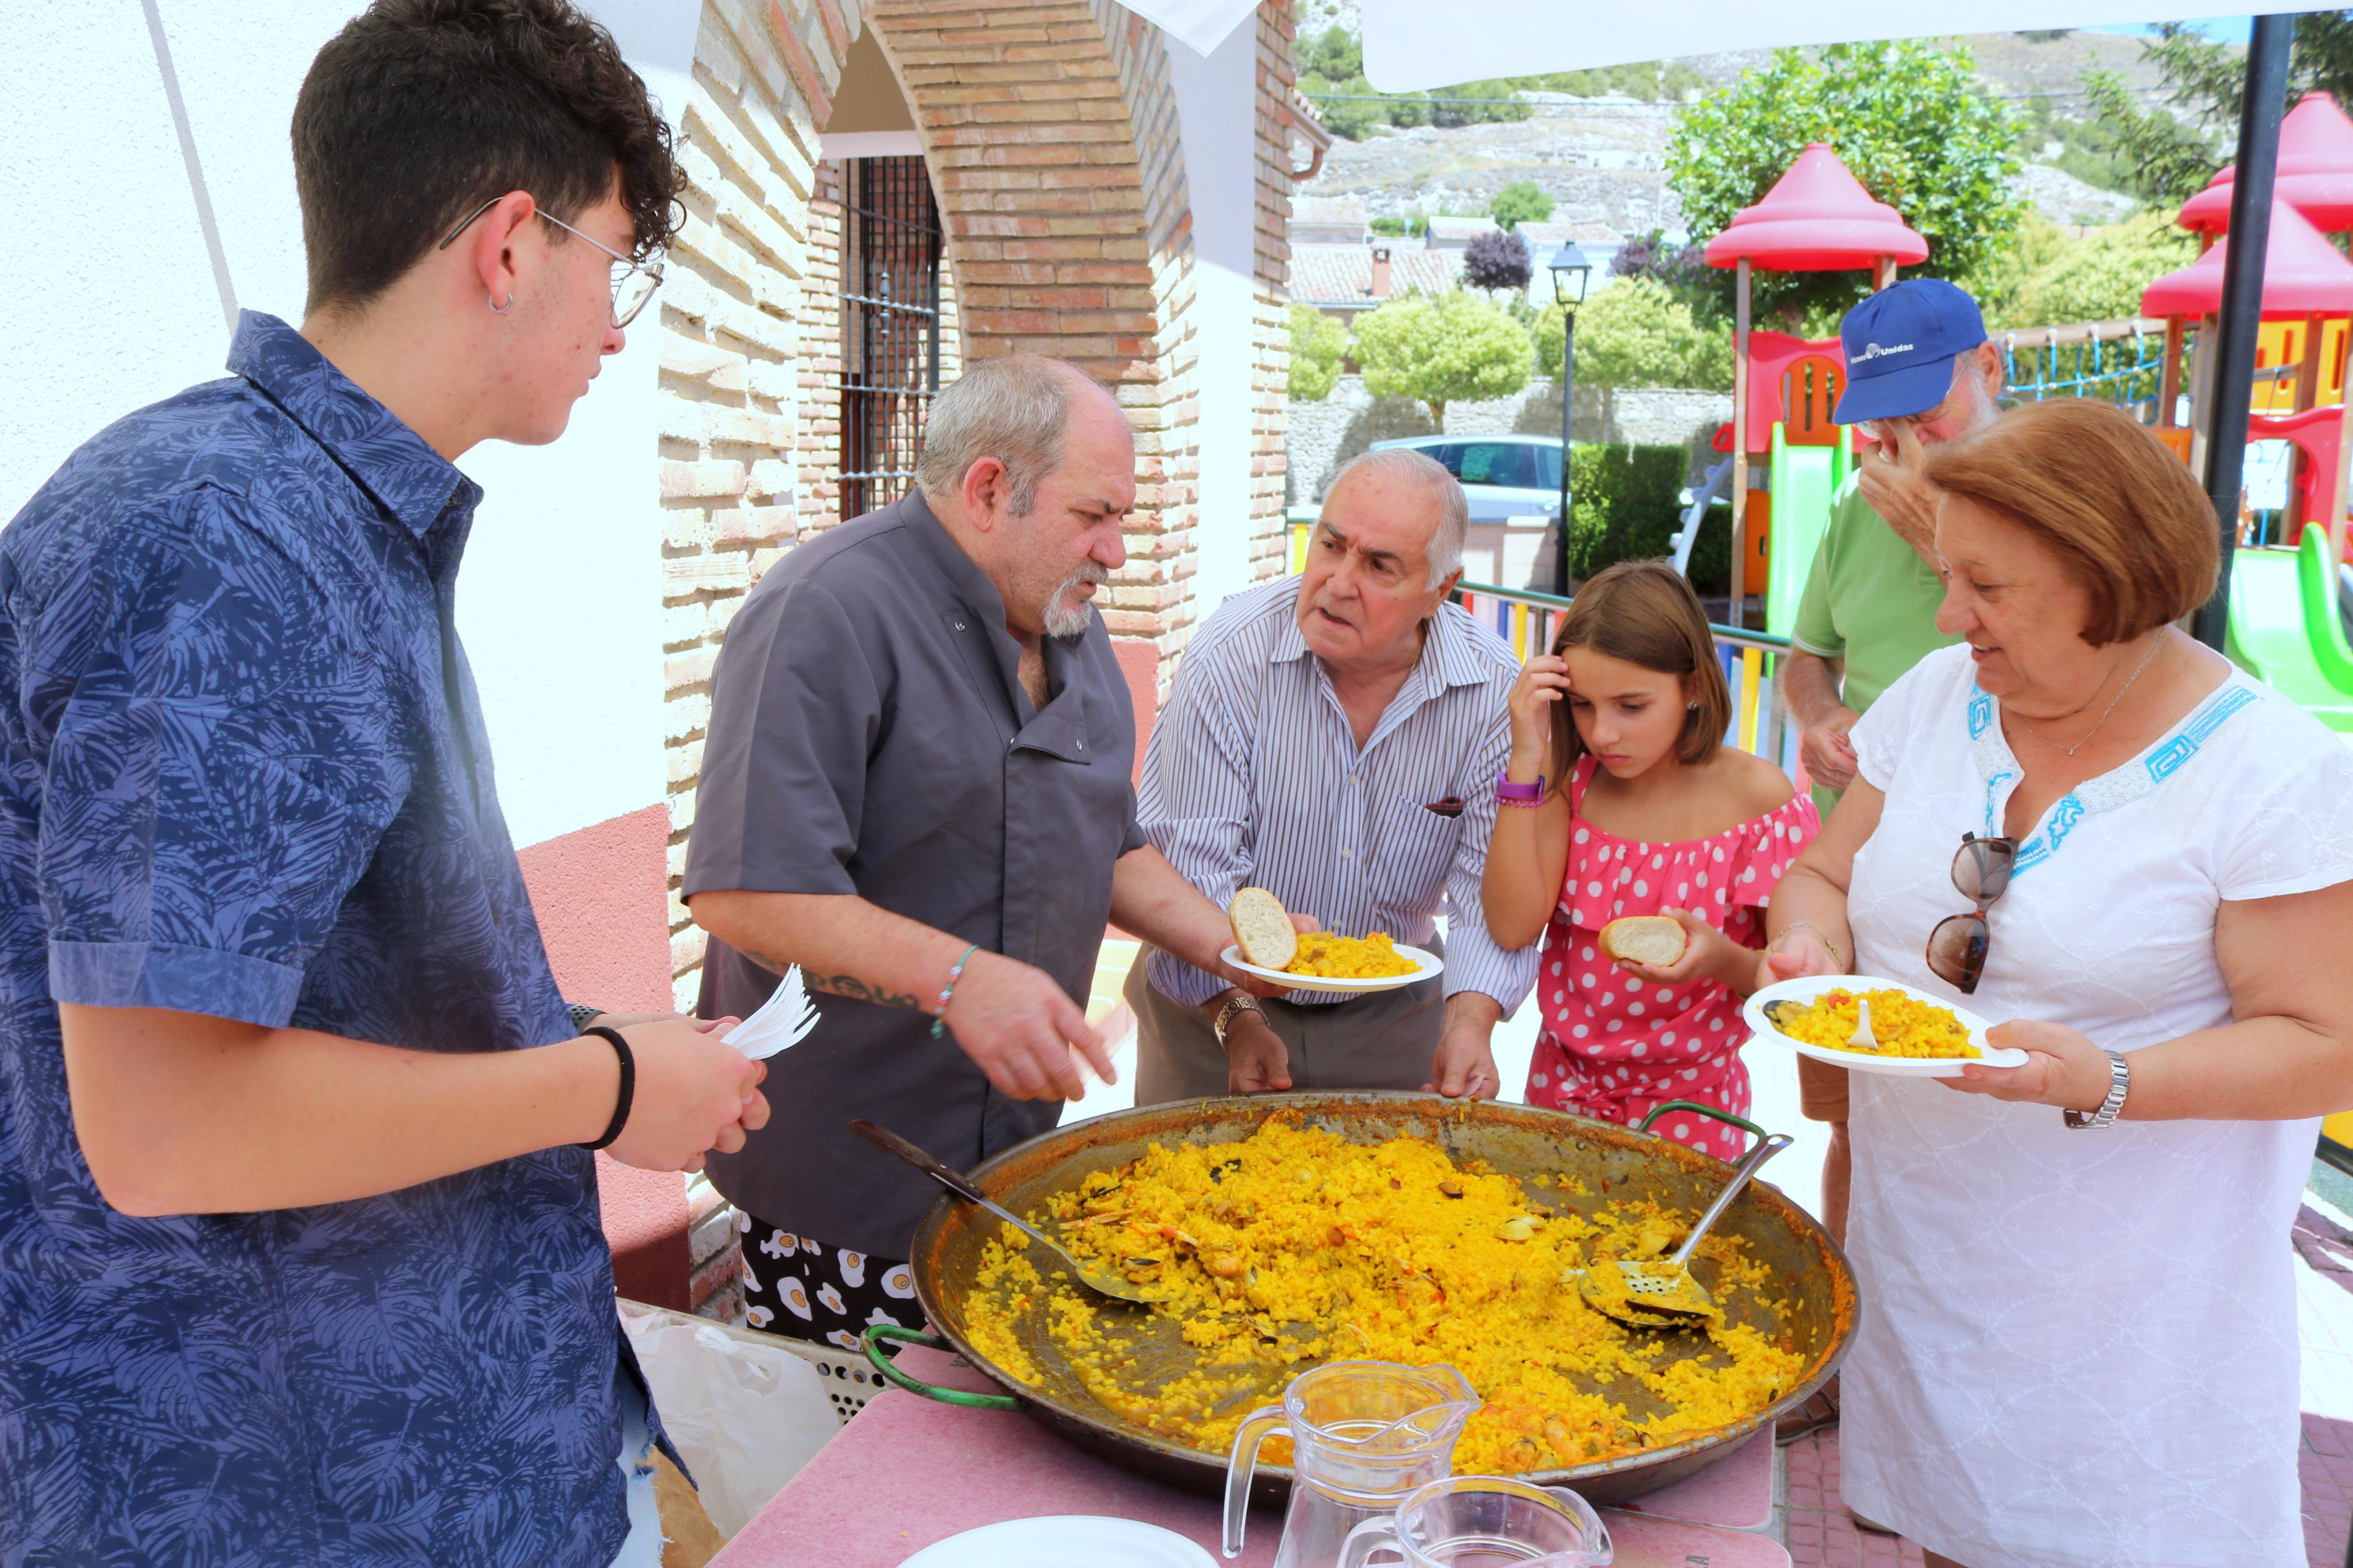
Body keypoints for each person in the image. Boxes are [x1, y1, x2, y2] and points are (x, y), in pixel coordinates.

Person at [0, 5, 769, 1565]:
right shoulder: (229, 532)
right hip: (283, 1487)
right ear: (509, 241)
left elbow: (328, 1002)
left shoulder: (311, 515)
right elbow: (162, 1121)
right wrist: (610, 1088)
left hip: (419, 1449)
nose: (616, 327)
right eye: (614, 262)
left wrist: (578, 1040)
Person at [1756, 397, 2353, 1568]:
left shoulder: (2270, 773)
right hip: (1929, 1266)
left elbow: (2323, 1040)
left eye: (1985, 584)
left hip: (2125, 1331)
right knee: (1942, 1537)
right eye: (1944, 575)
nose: (1945, 614)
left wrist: (2107, 1078)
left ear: (2105, 572)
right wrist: (1811, 951)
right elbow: (1819, 873)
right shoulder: (1936, 696)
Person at [685, 355, 1289, 1349]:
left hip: (1007, 1164)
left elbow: (1108, 844)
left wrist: (1236, 947)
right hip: (844, 1177)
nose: (1117, 551)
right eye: (1095, 515)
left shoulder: (1073, 630)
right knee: (849, 1481)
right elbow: (744, 892)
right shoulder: (825, 609)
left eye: (1124, 519)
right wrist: (959, 979)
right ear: (988, 490)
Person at [1126, 448, 1536, 1103]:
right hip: (1209, 1010)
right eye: (1331, 545)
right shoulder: (1232, 653)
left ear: (1440, 589)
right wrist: (1236, 1016)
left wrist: (1470, 1023)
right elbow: (1187, 868)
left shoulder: (1491, 689)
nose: (1339, 582)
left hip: (1393, 1022)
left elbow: (1485, 895)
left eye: (1378, 566)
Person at [1779, 279, 2006, 1311]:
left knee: (1987, 1129)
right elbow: (1804, 657)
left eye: (1928, 408)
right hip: (1857, 876)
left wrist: (1934, 526)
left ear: (1989, 369)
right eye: (1882, 417)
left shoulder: (2061, 498)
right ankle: (1846, 1338)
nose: (1903, 438)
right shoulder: (1850, 504)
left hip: (1992, 884)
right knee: (1854, 1125)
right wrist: (1819, 718)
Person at [1483, 562, 1816, 1156]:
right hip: (1559, 1095)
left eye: (1630, 706)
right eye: (1582, 705)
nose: (1601, 733)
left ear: (1692, 686)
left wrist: (1720, 959)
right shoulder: (1573, 783)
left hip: (1695, 1112)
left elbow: (1789, 992)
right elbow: (1510, 925)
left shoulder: (1761, 800)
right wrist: (1525, 758)